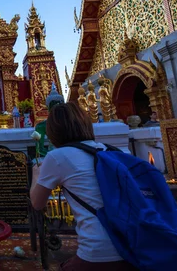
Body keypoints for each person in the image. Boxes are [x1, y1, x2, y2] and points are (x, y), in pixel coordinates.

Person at [30, 102, 137, 270]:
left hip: (99, 251)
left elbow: (37, 203)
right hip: (135, 244)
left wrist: (36, 174)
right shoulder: (110, 151)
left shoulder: (57, 156)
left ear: (52, 131)